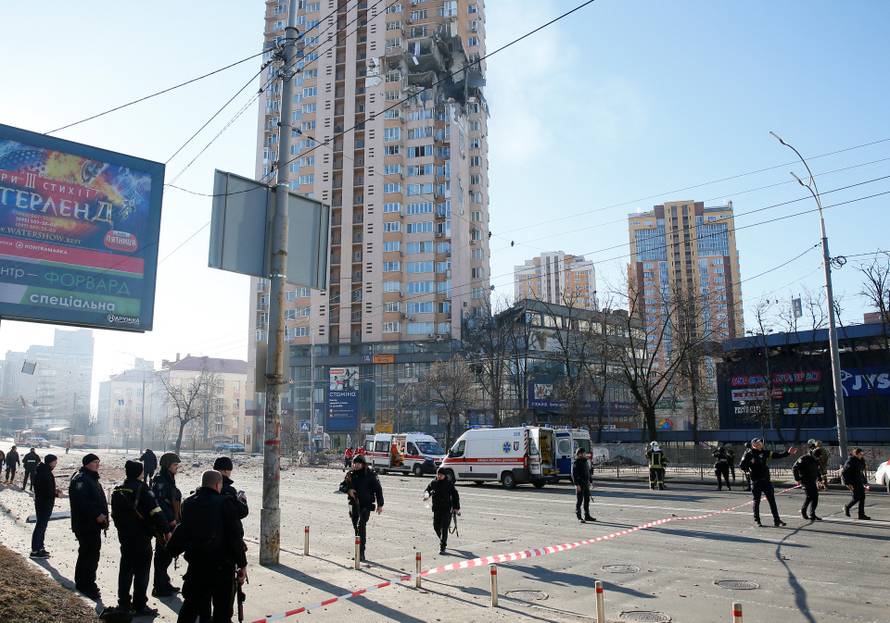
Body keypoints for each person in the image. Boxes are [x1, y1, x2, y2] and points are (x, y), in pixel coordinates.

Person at [166, 470, 247, 623]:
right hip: (221, 568)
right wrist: (242, 564)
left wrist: (171, 550)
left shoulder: (189, 503)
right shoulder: (225, 503)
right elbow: (234, 537)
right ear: (218, 485)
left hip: (197, 566)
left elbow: (183, 530)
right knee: (222, 612)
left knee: (190, 608)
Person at [111, 460, 170, 616]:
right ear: (139, 473)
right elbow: (156, 511)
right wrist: (165, 530)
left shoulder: (118, 490)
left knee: (125, 570)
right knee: (142, 572)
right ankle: (140, 604)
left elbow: (114, 515)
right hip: (142, 537)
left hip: (125, 537)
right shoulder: (142, 489)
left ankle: (123, 603)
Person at [68, 453, 109, 599]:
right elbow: (81, 502)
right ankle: (86, 584)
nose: (98, 464)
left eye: (98, 462)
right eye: (95, 462)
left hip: (92, 525)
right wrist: (97, 514)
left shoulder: (90, 477)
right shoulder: (81, 479)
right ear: (87, 464)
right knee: (88, 555)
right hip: (86, 525)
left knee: (90, 554)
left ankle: (86, 582)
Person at [739, 438, 797, 527]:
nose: (759, 444)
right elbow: (742, 466)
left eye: (760, 443)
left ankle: (776, 520)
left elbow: (778, 455)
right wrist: (749, 465)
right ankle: (757, 520)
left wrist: (788, 453)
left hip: (766, 481)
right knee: (756, 501)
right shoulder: (749, 454)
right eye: (757, 443)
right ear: (753, 445)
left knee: (772, 501)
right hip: (756, 481)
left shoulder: (766, 453)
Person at [338, 454, 383, 562]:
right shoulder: (350, 475)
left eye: (358, 463)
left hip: (366, 506)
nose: (356, 465)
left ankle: (361, 553)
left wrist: (380, 504)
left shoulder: (370, 475)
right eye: (354, 463)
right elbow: (341, 486)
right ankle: (359, 552)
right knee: (356, 528)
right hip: (353, 505)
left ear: (363, 464)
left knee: (360, 526)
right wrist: (348, 490)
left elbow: (378, 490)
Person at [151, 452, 183, 597]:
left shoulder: (168, 479)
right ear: (167, 465)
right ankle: (159, 586)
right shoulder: (160, 481)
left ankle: (164, 582)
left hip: (171, 523)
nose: (177, 468)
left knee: (166, 556)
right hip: (164, 524)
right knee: (162, 556)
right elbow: (159, 504)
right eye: (175, 465)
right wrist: (169, 520)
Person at [424, 467, 461, 554]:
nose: (439, 476)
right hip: (437, 509)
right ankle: (442, 538)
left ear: (444, 475)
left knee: (444, 528)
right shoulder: (434, 483)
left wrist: (456, 507)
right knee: (436, 526)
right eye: (438, 474)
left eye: (441, 475)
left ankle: (442, 546)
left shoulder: (449, 484)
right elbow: (427, 490)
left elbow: (455, 495)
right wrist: (426, 496)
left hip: (447, 509)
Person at [30, 453, 60, 558]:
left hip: (43, 502)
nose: (56, 463)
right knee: (40, 526)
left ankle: (40, 547)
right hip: (44, 503)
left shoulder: (43, 471)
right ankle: (35, 550)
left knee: (42, 526)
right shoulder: (45, 473)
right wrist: (56, 493)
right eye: (55, 461)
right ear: (50, 462)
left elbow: (45, 488)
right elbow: (45, 491)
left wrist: (54, 491)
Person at [792, 444, 825, 521]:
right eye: (816, 457)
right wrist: (797, 479)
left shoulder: (816, 459)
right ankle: (804, 511)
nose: (817, 458)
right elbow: (794, 468)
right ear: (813, 453)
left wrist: (820, 479)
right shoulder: (804, 458)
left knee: (814, 497)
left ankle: (812, 514)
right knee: (810, 496)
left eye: (818, 457)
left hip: (812, 480)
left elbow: (817, 470)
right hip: (805, 480)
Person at [841, 447, 871, 520]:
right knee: (856, 498)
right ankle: (847, 507)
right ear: (856, 454)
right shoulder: (851, 461)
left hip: (859, 481)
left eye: (862, 454)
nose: (862, 455)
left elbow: (861, 470)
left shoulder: (860, 460)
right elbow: (844, 473)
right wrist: (847, 484)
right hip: (853, 482)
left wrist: (864, 482)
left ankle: (861, 515)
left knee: (862, 497)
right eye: (861, 454)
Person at [572, 447, 595, 522]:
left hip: (586, 484)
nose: (584, 454)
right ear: (578, 454)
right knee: (579, 501)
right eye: (582, 453)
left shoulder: (585, 462)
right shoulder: (576, 463)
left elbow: (588, 473)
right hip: (580, 485)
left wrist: (591, 481)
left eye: (584, 453)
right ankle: (579, 517)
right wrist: (577, 485)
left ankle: (587, 516)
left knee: (587, 500)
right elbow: (574, 475)